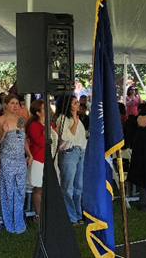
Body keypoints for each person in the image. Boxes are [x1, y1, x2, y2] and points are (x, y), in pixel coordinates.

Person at [0, 94, 33, 234]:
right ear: (5, 105)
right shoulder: (0, 121)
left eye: (17, 103)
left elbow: (23, 140)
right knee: (7, 191)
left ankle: (18, 221)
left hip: (20, 160)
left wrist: (29, 154)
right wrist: (2, 133)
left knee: (20, 191)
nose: (15, 106)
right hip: (6, 159)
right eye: (12, 103)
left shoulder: (20, 120)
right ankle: (6, 221)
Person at [25, 99, 58, 222]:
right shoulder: (34, 126)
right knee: (39, 188)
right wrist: (46, 130)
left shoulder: (50, 124)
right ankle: (38, 214)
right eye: (44, 109)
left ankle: (48, 212)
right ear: (38, 113)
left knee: (48, 187)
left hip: (50, 158)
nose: (48, 110)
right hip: (39, 159)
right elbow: (40, 142)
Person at [55, 95, 86, 225]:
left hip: (79, 151)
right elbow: (67, 136)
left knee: (79, 185)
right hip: (69, 152)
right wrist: (74, 123)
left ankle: (79, 214)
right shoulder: (62, 119)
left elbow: (82, 136)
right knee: (68, 186)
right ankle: (71, 215)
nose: (78, 104)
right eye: (75, 103)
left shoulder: (79, 119)